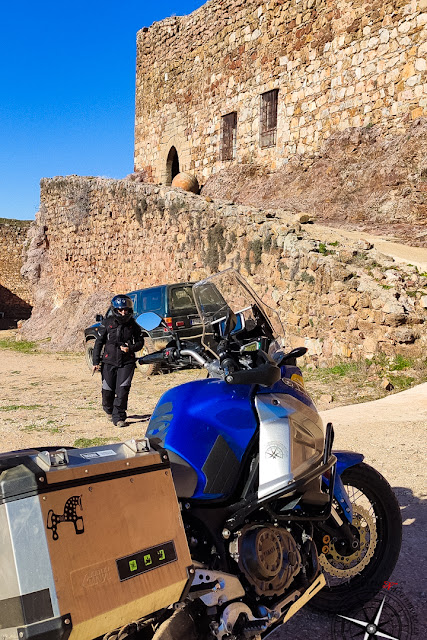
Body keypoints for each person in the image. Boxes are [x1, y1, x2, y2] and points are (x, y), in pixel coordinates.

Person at [92, 294, 144, 427]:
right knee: (107, 390)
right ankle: (109, 410)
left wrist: (130, 348)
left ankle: (119, 417)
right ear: (115, 310)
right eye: (120, 310)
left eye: (125, 310)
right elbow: (98, 343)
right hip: (109, 362)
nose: (123, 312)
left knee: (122, 390)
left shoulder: (133, 325)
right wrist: (95, 362)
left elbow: (140, 342)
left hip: (126, 363)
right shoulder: (107, 323)